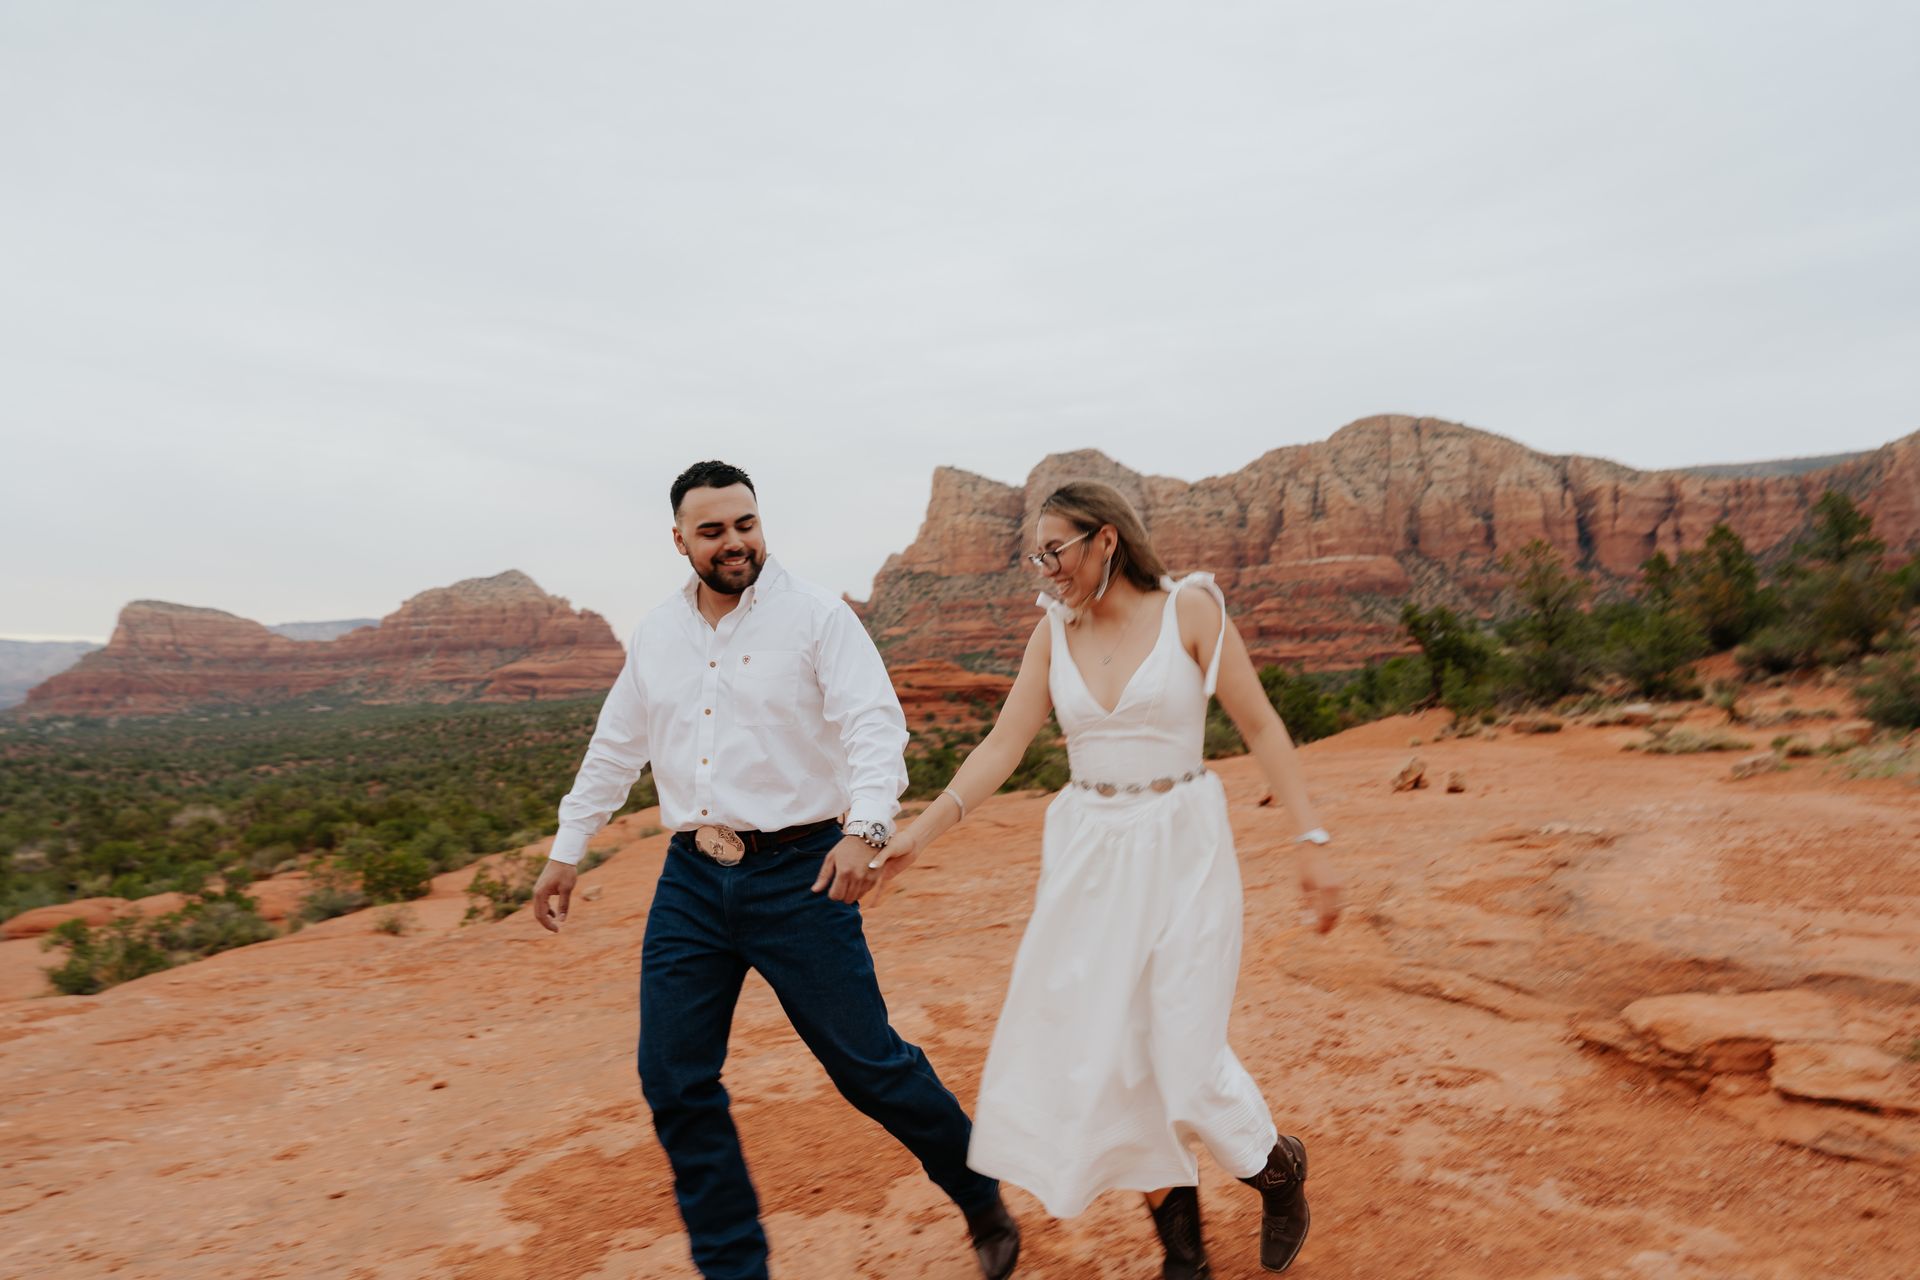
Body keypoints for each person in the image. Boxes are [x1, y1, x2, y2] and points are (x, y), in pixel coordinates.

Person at [529, 460, 1020, 1280]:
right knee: (673, 1078)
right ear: (680, 538)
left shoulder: (816, 617)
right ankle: (735, 1267)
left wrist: (866, 830)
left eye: (745, 524)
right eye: (713, 530)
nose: (734, 542)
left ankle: (976, 1191)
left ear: (761, 523)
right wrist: (565, 851)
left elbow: (874, 727)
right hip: (691, 876)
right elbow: (616, 747)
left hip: (800, 873)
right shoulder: (657, 633)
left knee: (869, 1068)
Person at [871, 480, 1343, 1278]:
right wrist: (922, 829)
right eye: (1037, 554)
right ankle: (1184, 1260)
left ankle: (1275, 1167)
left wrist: (1311, 838)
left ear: (1105, 540)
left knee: (1185, 1058)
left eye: (1054, 550)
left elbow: (1260, 722)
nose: (1044, 568)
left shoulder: (1189, 609)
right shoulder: (1051, 634)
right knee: (1119, 1060)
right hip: (1090, 854)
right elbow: (1002, 744)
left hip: (1182, 845)